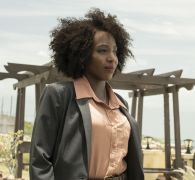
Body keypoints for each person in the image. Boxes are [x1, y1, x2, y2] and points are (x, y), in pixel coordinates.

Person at [29, 8, 144, 180]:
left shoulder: (120, 103)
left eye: (115, 51)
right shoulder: (59, 95)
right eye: (103, 50)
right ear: (82, 55)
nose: (112, 58)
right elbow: (40, 160)